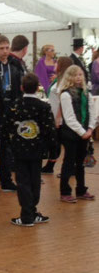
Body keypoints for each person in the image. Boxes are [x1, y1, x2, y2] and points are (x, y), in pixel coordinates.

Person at [3, 73, 57, 227]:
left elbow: (6, 127)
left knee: (23, 182)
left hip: (19, 150)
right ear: (38, 88)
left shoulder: (14, 106)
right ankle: (31, 212)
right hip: (37, 150)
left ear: (21, 88)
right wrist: (53, 150)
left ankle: (27, 215)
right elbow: (50, 130)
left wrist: (7, 145)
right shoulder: (44, 107)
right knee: (35, 181)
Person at [0, 35, 21, 194]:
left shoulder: (15, 65)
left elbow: (19, 89)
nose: (5, 51)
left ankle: (6, 180)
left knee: (7, 148)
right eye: (1, 48)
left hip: (11, 110)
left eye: (7, 48)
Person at [58, 65, 96, 203]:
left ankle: (81, 190)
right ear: (70, 77)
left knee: (81, 163)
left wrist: (90, 129)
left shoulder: (87, 93)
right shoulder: (65, 94)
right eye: (76, 75)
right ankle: (65, 191)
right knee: (69, 162)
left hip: (85, 132)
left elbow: (93, 113)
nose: (79, 77)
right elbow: (69, 118)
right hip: (71, 134)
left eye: (81, 74)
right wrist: (82, 132)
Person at [42, 56, 73, 174]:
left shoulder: (63, 82)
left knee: (59, 142)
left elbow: (61, 101)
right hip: (55, 116)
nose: (54, 65)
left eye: (56, 64)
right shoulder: (58, 80)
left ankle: (67, 168)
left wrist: (58, 118)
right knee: (55, 142)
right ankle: (51, 164)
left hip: (59, 118)